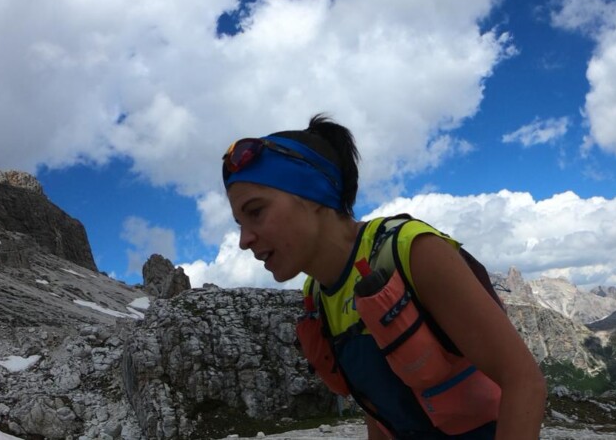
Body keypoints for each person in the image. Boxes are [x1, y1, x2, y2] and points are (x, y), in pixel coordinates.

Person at [222, 114, 547, 439]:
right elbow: (379, 407)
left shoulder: (412, 252)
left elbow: (524, 382)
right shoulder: (318, 295)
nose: (244, 240)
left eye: (256, 212)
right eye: (240, 223)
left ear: (312, 192)